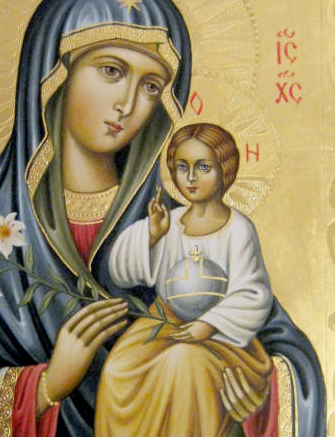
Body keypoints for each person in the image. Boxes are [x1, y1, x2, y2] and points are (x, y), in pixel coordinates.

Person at [0, 0, 326, 437]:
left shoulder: (187, 225)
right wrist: (43, 387)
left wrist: (254, 393)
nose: (128, 103)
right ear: (54, 74)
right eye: (111, 71)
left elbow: (282, 355)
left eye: (151, 86)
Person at [96, 123, 274, 437]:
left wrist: (210, 324)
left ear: (225, 170)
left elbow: (253, 293)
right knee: (116, 370)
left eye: (203, 167)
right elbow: (121, 272)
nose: (190, 177)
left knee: (184, 362)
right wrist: (152, 236)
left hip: (221, 336)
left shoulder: (238, 229)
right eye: (182, 167)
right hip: (163, 325)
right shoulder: (169, 221)